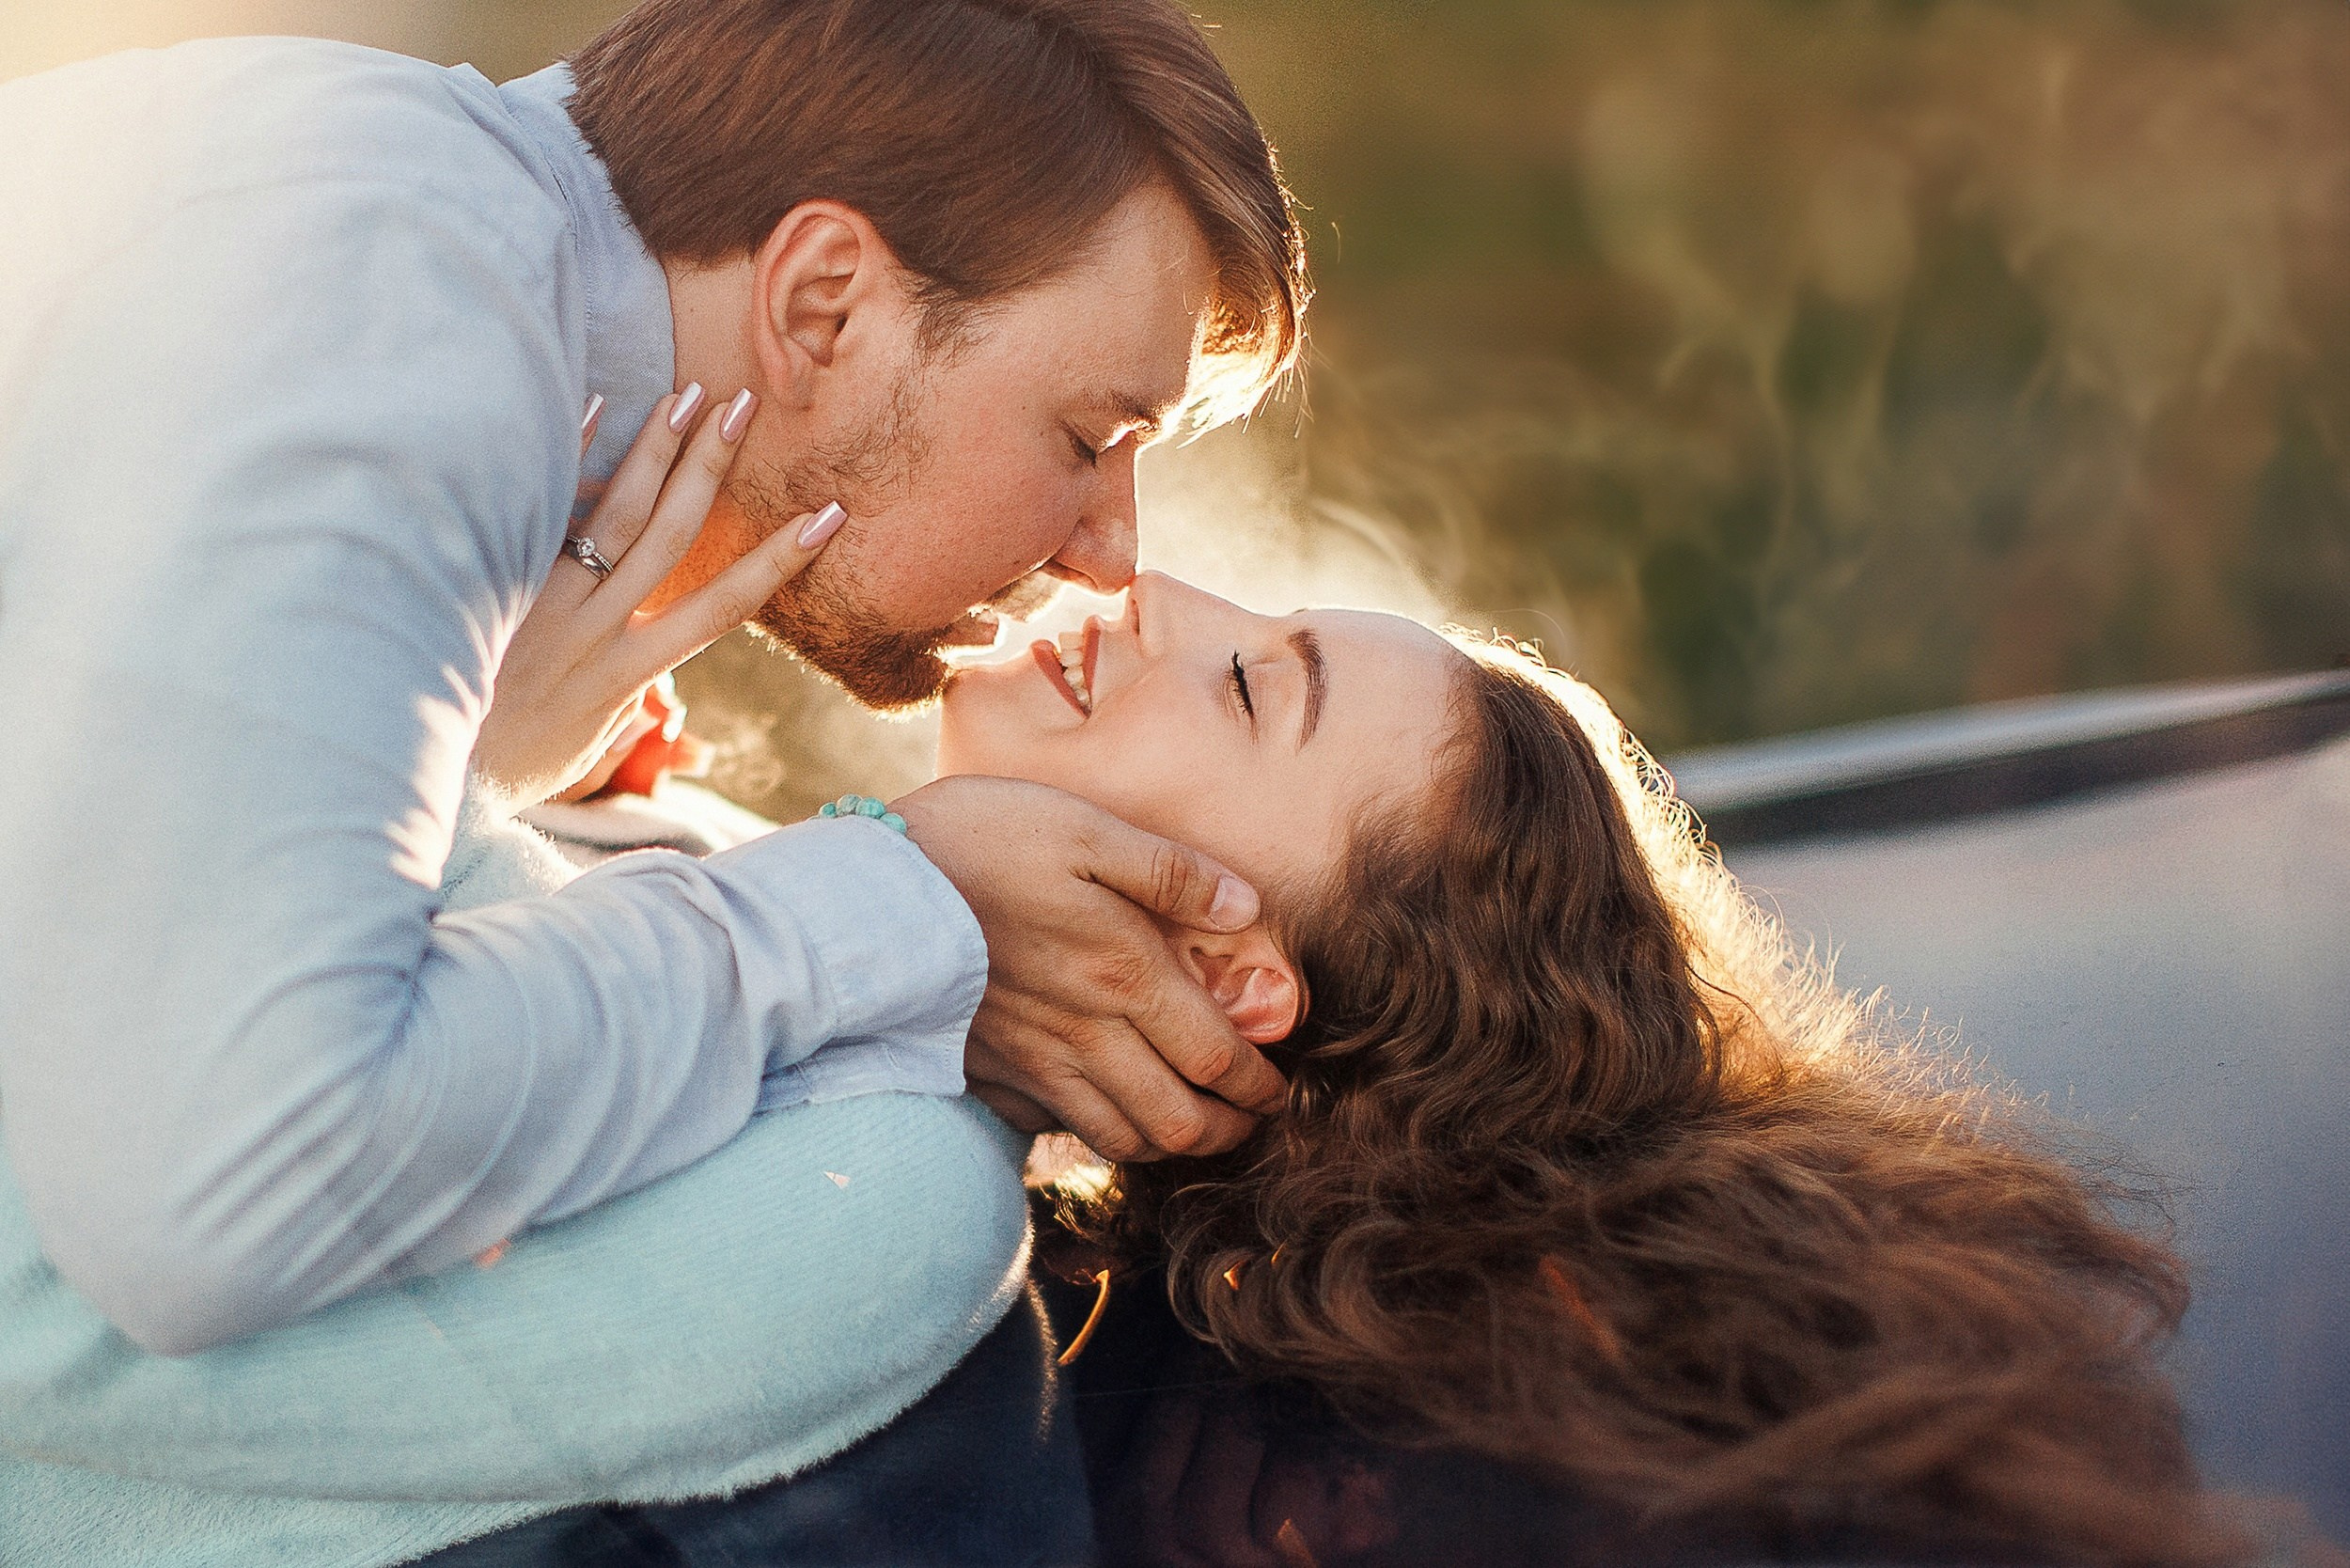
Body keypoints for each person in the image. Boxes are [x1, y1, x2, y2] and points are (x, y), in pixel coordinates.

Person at [6, 567, 2246, 1567]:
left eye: (1252, 689)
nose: (1144, 592)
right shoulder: (828, 1023)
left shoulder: (928, 1276)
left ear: (1243, 972)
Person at [0, 0, 1308, 1368]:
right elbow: (208, 1196)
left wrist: (473, 779)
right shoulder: (397, 327)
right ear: (824, 303)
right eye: (1090, 434)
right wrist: (899, 898)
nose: (1117, 555)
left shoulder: (402, 237)